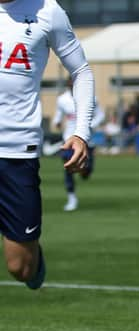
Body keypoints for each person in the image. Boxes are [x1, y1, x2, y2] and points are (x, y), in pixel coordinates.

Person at [0, 0, 94, 289]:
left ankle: (33, 260)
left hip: (17, 151)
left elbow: (81, 72)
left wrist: (80, 133)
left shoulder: (48, 11)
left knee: (20, 267)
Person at [52, 78, 104, 211]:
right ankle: (71, 197)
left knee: (86, 172)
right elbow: (58, 115)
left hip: (87, 140)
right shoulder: (62, 100)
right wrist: (57, 122)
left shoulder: (91, 97)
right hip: (68, 139)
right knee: (68, 168)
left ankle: (84, 171)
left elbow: (100, 115)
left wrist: (90, 125)